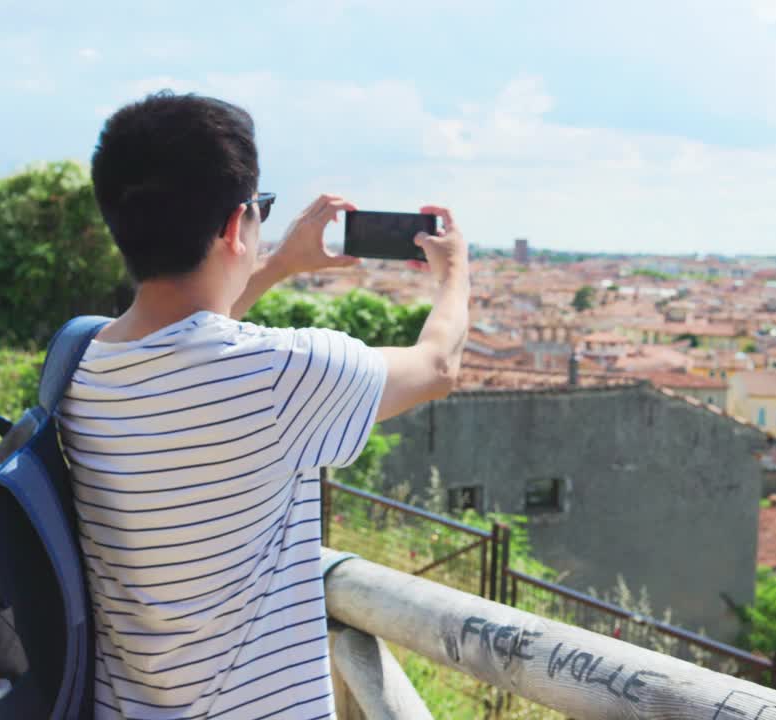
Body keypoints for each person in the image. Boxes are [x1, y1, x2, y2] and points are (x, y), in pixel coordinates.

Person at [63, 91, 470, 719]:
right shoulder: (279, 374)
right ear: (235, 226)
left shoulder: (81, 363)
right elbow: (437, 366)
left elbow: (183, 331)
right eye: (259, 211)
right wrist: (456, 274)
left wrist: (278, 261)